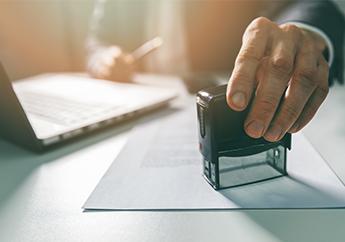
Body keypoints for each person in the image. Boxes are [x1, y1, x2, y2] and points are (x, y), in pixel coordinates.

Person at [86, 0, 345, 142]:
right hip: (141, 103)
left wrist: (303, 30)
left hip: (227, 101)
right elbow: (96, 40)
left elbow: (309, 3)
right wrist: (102, 57)